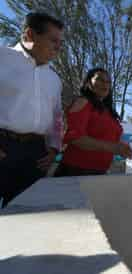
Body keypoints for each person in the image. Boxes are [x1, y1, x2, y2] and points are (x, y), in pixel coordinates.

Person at [0, 13, 64, 207]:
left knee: (25, 216)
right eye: (53, 40)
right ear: (29, 35)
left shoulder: (54, 79)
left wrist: (54, 149)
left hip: (35, 154)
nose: (58, 47)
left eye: (60, 42)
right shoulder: (2, 58)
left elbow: (56, 119)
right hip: (2, 145)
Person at [54, 68, 132, 176]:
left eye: (108, 81)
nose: (105, 83)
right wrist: (113, 147)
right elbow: (75, 137)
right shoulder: (83, 102)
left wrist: (123, 148)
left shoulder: (107, 111)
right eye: (100, 79)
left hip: (100, 171)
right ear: (88, 82)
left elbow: (109, 138)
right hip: (76, 170)